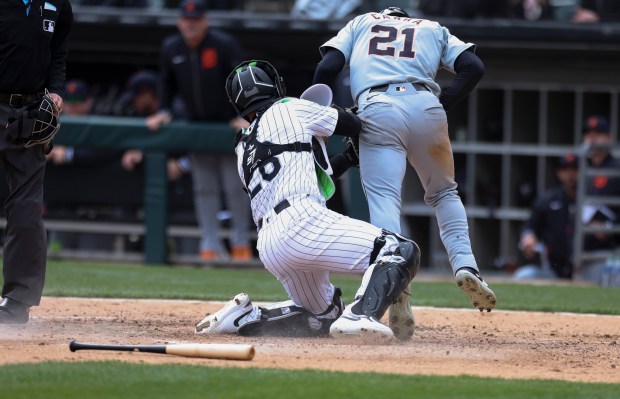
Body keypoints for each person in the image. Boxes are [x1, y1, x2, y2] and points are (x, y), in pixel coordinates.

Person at [194, 60, 420, 341]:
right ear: (274, 85)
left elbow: (310, 176)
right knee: (398, 249)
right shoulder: (289, 106)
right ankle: (361, 314)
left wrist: (347, 159)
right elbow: (352, 124)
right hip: (302, 220)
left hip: (271, 244)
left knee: (324, 318)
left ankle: (246, 319)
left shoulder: (242, 147)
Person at [312, 6, 496, 312]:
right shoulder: (432, 27)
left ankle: (396, 287)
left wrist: (328, 115)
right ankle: (467, 266)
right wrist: (444, 102)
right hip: (426, 104)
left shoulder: (362, 22)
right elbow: (473, 67)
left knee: (386, 201)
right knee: (444, 193)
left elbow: (327, 67)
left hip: (377, 106)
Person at [146, 0, 253, 262]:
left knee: (233, 185)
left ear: (205, 21)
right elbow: (166, 83)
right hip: (197, 125)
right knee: (203, 187)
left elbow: (243, 78)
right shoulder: (172, 48)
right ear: (179, 21)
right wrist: (163, 110)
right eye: (186, 19)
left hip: (229, 125)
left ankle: (240, 243)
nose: (190, 24)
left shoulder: (223, 44)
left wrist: (244, 115)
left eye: (195, 20)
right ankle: (210, 243)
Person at [0, 0, 73, 323]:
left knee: (27, 208)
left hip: (30, 114)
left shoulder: (59, 6)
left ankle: (17, 301)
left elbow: (58, 55)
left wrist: (56, 91)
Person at [516, 153, 579, 280]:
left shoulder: (592, 198)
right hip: (554, 268)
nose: (570, 174)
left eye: (575, 169)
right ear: (559, 173)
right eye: (565, 170)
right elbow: (530, 225)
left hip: (587, 265)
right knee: (523, 275)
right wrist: (529, 237)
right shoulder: (549, 199)